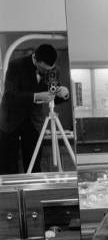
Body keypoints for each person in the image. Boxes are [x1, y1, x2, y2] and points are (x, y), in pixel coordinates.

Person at [0, 43, 70, 173]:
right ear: (35, 59)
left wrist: (64, 93)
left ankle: (34, 190)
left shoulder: (53, 70)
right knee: (8, 165)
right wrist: (36, 96)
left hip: (33, 121)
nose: (46, 72)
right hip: (11, 120)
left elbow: (54, 95)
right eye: (43, 69)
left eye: (49, 69)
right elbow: (10, 96)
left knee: (34, 165)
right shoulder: (16, 65)